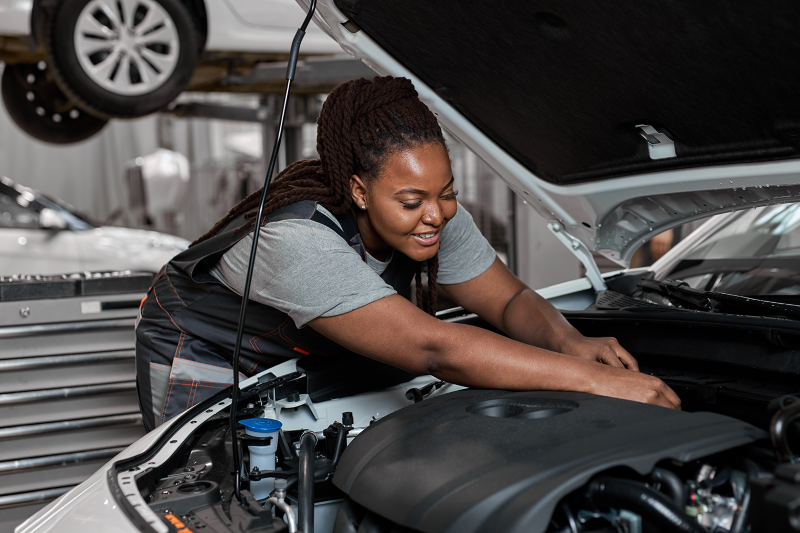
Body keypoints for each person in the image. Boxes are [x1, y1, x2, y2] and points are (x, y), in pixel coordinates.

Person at [134, 76, 680, 431]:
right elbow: (434, 347)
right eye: (412, 201)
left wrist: (570, 343)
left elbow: (509, 300)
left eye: (447, 193)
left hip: (296, 353)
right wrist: (595, 381)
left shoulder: (433, 216)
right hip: (207, 350)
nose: (436, 215)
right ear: (359, 191)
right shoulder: (295, 242)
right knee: (218, 485)